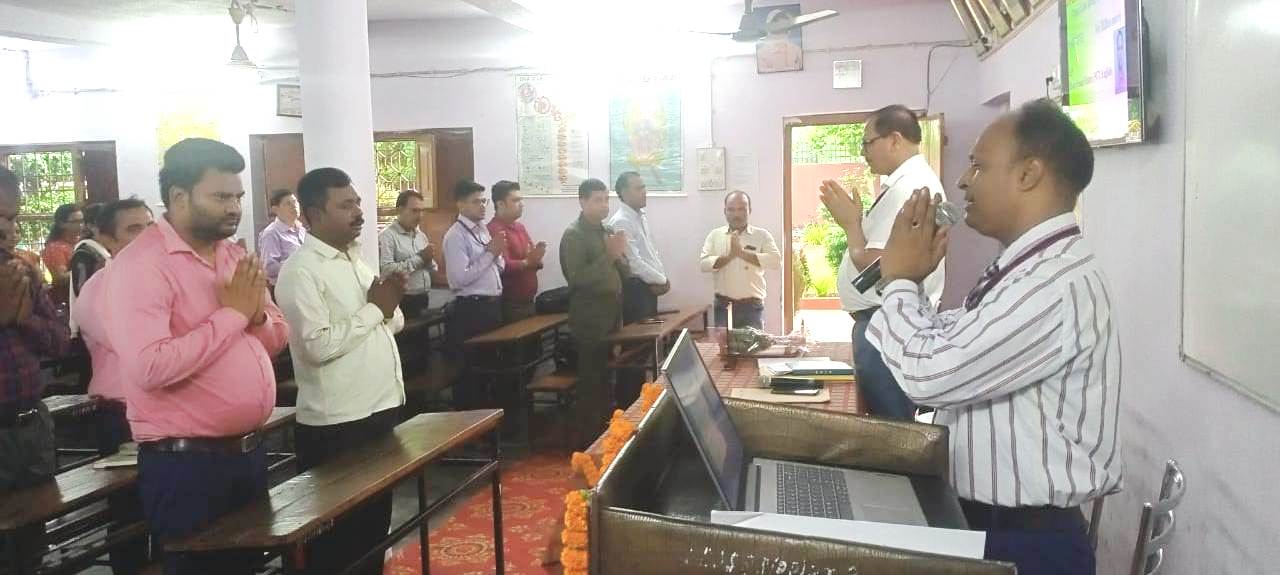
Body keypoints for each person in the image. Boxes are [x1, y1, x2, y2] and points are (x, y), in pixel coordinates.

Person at [867, 99, 1119, 575]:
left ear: (1028, 175)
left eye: (979, 166)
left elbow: (929, 375)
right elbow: (953, 337)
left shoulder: (1051, 285)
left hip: (1027, 541)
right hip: (998, 521)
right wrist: (913, 279)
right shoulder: (1028, 270)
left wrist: (898, 279)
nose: (963, 181)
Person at [103, 138, 289, 574]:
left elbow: (277, 337)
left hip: (246, 453)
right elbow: (150, 366)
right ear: (179, 197)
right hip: (186, 466)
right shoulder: (142, 266)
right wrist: (232, 316)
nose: (234, 207)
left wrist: (256, 316)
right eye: (221, 196)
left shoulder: (231, 254)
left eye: (238, 196)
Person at [276, 167, 406, 575]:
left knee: (373, 532)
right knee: (337, 547)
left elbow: (395, 320)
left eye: (358, 203)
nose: (358, 212)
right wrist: (373, 310)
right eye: (345, 205)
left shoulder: (355, 259)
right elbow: (318, 346)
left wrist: (378, 310)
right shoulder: (301, 271)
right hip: (339, 425)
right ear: (313, 214)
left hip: (379, 408)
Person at [822, 104, 947, 421]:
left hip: (884, 324)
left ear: (894, 139)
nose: (864, 151)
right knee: (888, 421)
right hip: (882, 323)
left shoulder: (911, 187)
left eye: (867, 142)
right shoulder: (906, 183)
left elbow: (882, 265)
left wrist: (851, 225)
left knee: (892, 431)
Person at [0, 166, 70, 571]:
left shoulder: (23, 270)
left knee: (31, 545)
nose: (7, 229)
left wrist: (21, 318)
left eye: (11, 218)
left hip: (30, 426)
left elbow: (60, 341)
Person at [560, 178, 630, 437]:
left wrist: (621, 255)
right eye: (597, 200)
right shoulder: (574, 235)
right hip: (590, 320)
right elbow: (577, 279)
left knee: (606, 382)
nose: (604, 206)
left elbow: (622, 271)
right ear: (582, 201)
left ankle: (606, 436)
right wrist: (609, 256)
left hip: (611, 316)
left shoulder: (605, 230)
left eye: (606, 200)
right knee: (592, 385)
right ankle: (589, 442)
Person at [442, 179, 505, 406]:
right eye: (476, 201)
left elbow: (501, 265)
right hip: (471, 311)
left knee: (489, 371)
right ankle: (470, 431)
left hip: (491, 307)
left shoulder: (483, 229)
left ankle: (489, 426)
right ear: (460, 205)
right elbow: (459, 279)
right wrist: (490, 255)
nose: (482, 206)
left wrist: (495, 254)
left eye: (483, 200)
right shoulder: (455, 236)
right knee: (471, 375)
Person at [69, 198, 153, 335]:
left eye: (150, 226)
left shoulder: (161, 274)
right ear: (107, 239)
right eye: (134, 229)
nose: (148, 235)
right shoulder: (98, 287)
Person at [699, 190, 781, 330]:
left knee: (753, 350)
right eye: (731, 209)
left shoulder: (761, 235)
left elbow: (775, 261)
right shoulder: (715, 235)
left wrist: (742, 254)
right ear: (725, 211)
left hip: (752, 308)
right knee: (724, 351)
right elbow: (704, 265)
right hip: (723, 307)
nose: (737, 214)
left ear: (749, 210)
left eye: (741, 209)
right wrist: (730, 256)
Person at [606, 171, 669, 323]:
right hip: (637, 293)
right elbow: (634, 263)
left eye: (644, 187)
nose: (644, 192)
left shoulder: (640, 216)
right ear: (624, 193)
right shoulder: (621, 222)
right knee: (641, 342)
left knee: (652, 340)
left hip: (649, 287)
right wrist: (662, 280)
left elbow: (651, 253)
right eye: (639, 189)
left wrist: (660, 277)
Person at [488, 180, 546, 323]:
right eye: (515, 200)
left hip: (528, 302)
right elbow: (503, 266)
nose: (522, 204)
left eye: (521, 199)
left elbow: (531, 257)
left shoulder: (519, 227)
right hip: (510, 305)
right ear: (500, 204)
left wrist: (536, 260)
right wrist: (528, 262)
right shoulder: (494, 230)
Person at [378, 189, 436, 317]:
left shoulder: (421, 236)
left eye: (422, 211)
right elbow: (387, 270)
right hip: (402, 301)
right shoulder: (387, 236)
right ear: (399, 210)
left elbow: (432, 268)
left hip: (423, 297)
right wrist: (420, 258)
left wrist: (429, 261)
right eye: (415, 211)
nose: (420, 216)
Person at [257, 188, 306, 289]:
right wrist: (298, 265)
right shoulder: (271, 233)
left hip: (305, 285)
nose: (294, 206)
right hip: (286, 289)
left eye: (295, 201)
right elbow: (269, 268)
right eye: (288, 203)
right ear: (275, 209)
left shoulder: (302, 230)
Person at [41, 202, 83, 307]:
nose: (81, 225)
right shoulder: (55, 248)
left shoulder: (82, 242)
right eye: (75, 222)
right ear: (61, 224)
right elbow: (60, 278)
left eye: (82, 221)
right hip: (67, 302)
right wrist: (86, 266)